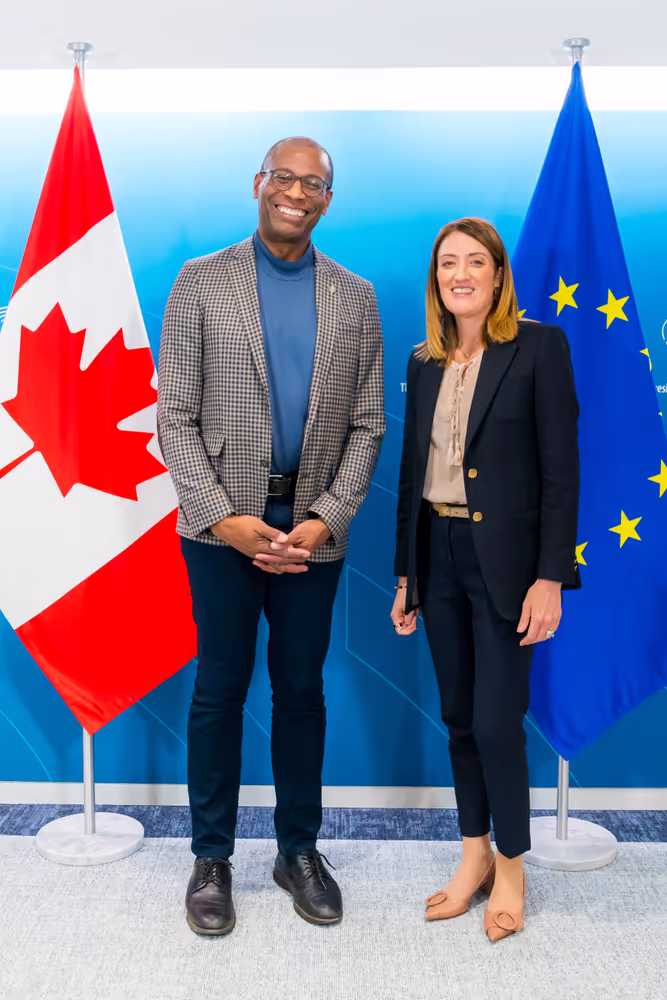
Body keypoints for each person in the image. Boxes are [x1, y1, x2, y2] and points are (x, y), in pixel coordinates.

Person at [158, 137, 385, 935]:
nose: (296, 191)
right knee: (219, 692)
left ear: (327, 200)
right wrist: (222, 516)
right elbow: (173, 415)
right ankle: (210, 858)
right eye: (284, 178)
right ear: (259, 184)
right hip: (220, 530)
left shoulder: (354, 296)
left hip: (312, 533)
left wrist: (325, 518)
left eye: (313, 183)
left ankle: (297, 851)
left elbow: (368, 425)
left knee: (301, 694)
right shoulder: (199, 281)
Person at [391, 217, 580, 941]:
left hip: (506, 565)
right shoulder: (422, 360)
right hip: (436, 553)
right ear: (436, 280)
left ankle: (510, 865)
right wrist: (406, 574)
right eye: (447, 264)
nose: (460, 274)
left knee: (498, 723)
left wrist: (548, 578)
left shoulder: (537, 348)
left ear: (497, 275)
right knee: (459, 718)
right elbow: (414, 475)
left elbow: (560, 474)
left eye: (475, 262)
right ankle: (470, 856)